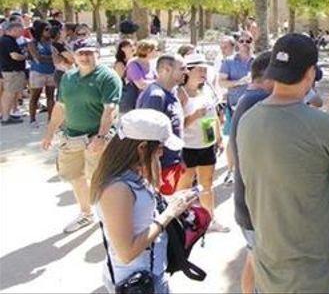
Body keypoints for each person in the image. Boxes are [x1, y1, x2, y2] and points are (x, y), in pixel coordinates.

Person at [238, 33, 329, 293]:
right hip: (316, 273)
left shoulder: (247, 120)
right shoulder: (325, 125)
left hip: (269, 267)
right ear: (310, 74)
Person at [91, 109, 197, 294]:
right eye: (159, 147)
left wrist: (175, 204)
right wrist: (169, 214)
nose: (162, 152)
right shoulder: (118, 190)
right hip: (138, 284)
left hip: (152, 272)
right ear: (141, 148)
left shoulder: (133, 174)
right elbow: (126, 253)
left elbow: (143, 215)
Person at [41, 38, 122, 233]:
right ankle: (86, 214)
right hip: (71, 138)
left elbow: (110, 109)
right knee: (75, 177)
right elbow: (61, 107)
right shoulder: (68, 78)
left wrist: (101, 137)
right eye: (80, 53)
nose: (85, 56)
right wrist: (50, 133)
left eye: (89, 52)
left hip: (95, 138)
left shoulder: (107, 76)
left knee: (100, 179)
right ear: (73, 56)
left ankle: (108, 216)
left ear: (98, 54)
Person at [229, 51, 273, 294]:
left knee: (253, 258)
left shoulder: (249, 98)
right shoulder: (259, 101)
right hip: (256, 207)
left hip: (247, 203)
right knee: (261, 266)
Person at [178, 54, 228, 233]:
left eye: (205, 69)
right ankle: (181, 222)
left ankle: (209, 219)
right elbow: (176, 125)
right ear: (188, 71)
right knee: (184, 186)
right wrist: (194, 116)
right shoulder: (180, 93)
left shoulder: (207, 89)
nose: (203, 73)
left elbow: (214, 115)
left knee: (207, 184)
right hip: (187, 146)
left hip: (207, 144)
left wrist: (219, 137)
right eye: (199, 69)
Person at [136, 54, 186, 196]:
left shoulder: (172, 92)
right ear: (166, 69)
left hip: (172, 163)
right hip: (161, 168)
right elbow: (148, 138)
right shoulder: (156, 96)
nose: (186, 72)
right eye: (182, 68)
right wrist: (154, 174)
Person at [218, 31, 254, 183]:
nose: (245, 44)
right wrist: (240, 82)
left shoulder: (257, 61)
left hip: (255, 106)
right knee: (233, 140)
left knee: (252, 139)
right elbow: (221, 82)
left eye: (248, 40)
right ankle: (231, 171)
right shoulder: (228, 61)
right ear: (237, 43)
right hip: (235, 106)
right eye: (242, 41)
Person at [27, 20, 58, 126]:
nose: (49, 31)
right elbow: (38, 58)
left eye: (50, 29)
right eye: (47, 29)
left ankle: (51, 119)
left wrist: (50, 58)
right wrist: (52, 58)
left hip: (51, 72)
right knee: (35, 96)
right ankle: (32, 119)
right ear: (41, 31)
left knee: (50, 96)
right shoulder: (33, 43)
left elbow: (57, 57)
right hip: (37, 72)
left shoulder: (53, 42)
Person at [120, 40, 158, 114]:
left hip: (147, 102)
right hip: (133, 104)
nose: (157, 51)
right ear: (148, 50)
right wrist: (158, 83)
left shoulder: (152, 63)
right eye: (155, 49)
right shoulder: (133, 64)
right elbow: (141, 84)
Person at [0, 21, 27, 125]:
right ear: (13, 30)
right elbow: (14, 55)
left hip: (10, 71)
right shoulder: (8, 40)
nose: (21, 33)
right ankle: (6, 117)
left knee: (10, 93)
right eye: (20, 31)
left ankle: (6, 114)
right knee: (9, 94)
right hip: (12, 71)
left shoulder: (7, 40)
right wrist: (24, 57)